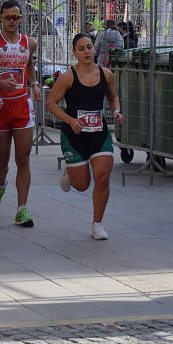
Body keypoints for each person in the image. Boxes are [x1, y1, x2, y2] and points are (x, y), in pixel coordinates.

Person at [47, 33, 124, 240]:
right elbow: (52, 102)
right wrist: (71, 121)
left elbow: (113, 96)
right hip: (74, 134)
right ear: (74, 52)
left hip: (99, 132)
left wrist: (116, 110)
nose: (86, 51)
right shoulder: (68, 76)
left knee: (102, 175)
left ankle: (97, 224)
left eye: (89, 47)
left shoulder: (106, 74)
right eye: (81, 48)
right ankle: (70, 172)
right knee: (82, 185)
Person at [0, 0, 41, 228]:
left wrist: (34, 84)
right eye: (8, 17)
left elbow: (29, 66)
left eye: (16, 17)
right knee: (2, 162)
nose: (12, 21)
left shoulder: (30, 42)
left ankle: (21, 209)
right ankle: (1, 184)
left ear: (21, 19)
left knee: (23, 158)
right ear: (1, 18)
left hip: (21, 105)